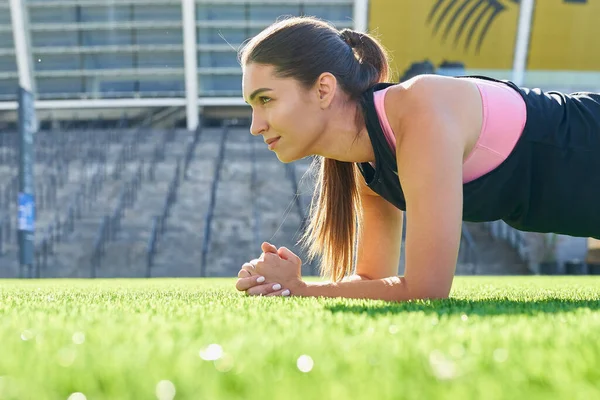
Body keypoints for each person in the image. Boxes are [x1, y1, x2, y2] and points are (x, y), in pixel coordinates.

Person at [234, 16, 600, 302]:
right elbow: (374, 279)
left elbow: (426, 289)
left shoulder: (418, 111)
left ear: (323, 89)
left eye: (266, 99)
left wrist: (303, 290)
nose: (255, 125)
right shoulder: (367, 160)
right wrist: (287, 282)